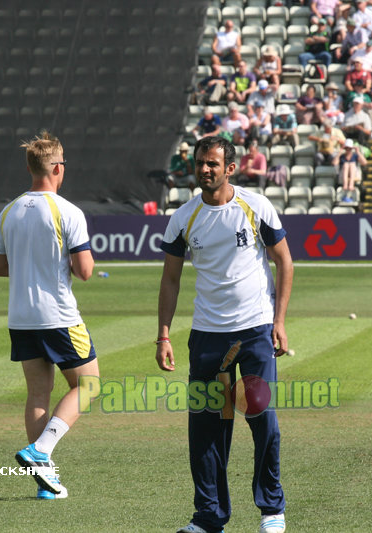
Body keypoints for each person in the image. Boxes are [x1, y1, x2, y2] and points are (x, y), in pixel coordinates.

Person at [157, 135, 293, 533]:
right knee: (207, 429)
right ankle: (210, 517)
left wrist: (279, 321)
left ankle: (272, 511)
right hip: (207, 337)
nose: (205, 169)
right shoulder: (184, 217)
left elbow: (284, 262)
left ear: (230, 168)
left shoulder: (255, 206)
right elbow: (170, 280)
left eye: (213, 163)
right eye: (200, 162)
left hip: (254, 333)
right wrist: (163, 335)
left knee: (262, 417)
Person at [0, 132, 100, 501]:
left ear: (29, 168)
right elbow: (85, 271)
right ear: (56, 168)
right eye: (63, 163)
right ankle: (41, 451)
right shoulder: (67, 211)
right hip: (58, 317)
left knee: (38, 394)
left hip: (20, 317)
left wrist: (28, 264)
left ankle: (45, 483)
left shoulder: (9, 210)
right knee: (89, 386)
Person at [338, 138, 366, 202]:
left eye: (349, 148)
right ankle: (346, 184)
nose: (348, 150)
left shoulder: (355, 156)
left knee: (352, 165)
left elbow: (364, 162)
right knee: (346, 165)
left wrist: (358, 152)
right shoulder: (342, 156)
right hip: (344, 174)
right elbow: (334, 163)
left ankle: (351, 184)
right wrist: (340, 152)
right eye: (346, 148)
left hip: (354, 173)